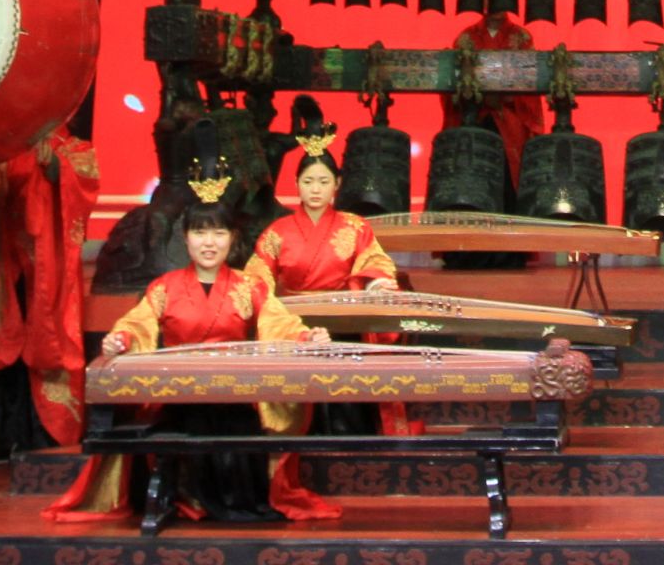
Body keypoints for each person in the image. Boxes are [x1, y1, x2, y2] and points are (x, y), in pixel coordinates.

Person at [48, 199, 339, 525]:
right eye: (200, 232)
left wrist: (305, 337)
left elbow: (279, 324)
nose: (209, 242)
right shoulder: (164, 287)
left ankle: (234, 498)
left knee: (239, 425)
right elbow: (137, 324)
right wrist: (121, 339)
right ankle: (184, 496)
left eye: (219, 232)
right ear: (186, 238)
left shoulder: (249, 286)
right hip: (180, 395)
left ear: (232, 237)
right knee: (187, 422)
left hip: (234, 393)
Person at [242, 120, 415, 511]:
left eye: (323, 181)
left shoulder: (355, 227)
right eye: (308, 182)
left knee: (346, 387)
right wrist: (266, 303)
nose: (315, 189)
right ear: (297, 186)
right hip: (296, 323)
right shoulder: (278, 232)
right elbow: (257, 274)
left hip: (344, 321)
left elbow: (373, 262)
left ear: (337, 184)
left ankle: (351, 442)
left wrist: (375, 285)